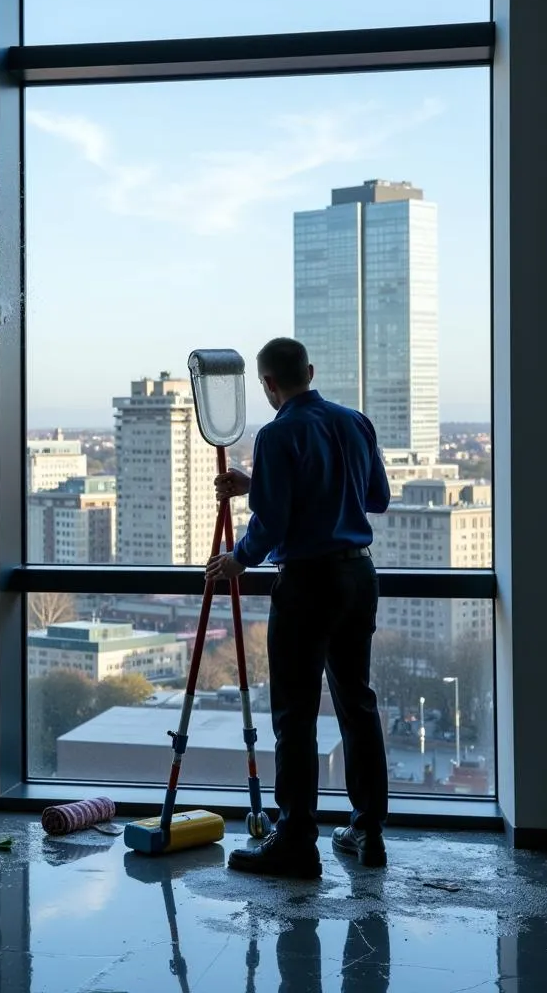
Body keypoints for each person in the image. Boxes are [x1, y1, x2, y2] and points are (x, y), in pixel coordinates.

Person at [206, 337, 391, 879]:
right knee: (358, 703)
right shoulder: (355, 422)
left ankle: (296, 841)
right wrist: (259, 484)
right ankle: (368, 830)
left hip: (308, 583)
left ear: (268, 384)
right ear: (309, 371)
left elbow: (274, 524)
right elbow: (373, 498)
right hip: (359, 575)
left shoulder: (277, 433)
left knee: (296, 714)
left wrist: (237, 559)